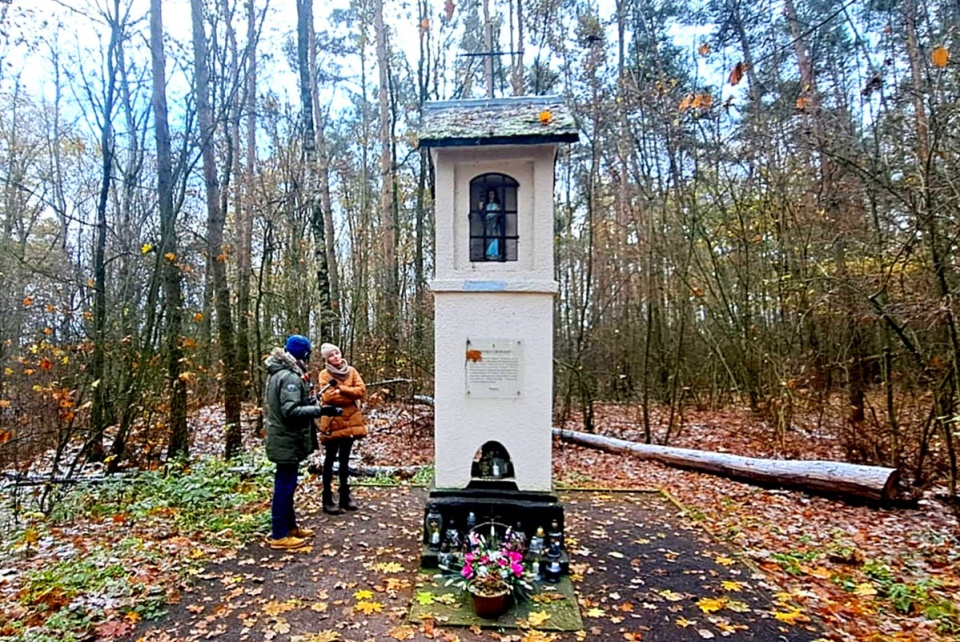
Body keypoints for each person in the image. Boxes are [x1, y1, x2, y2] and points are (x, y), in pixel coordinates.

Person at [263, 334, 340, 550]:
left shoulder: (285, 373)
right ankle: (279, 534)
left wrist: (310, 401)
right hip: (286, 439)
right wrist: (321, 410)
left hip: (286, 438)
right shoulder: (289, 377)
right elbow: (290, 411)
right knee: (284, 486)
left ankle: (290, 527)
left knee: (288, 484)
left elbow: (292, 403)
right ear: (303, 353)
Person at [317, 342, 367, 515]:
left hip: (351, 421)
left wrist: (341, 389)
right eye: (331, 355)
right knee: (330, 460)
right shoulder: (324, 374)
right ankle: (327, 499)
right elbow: (329, 397)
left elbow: (361, 390)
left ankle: (345, 495)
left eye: (337, 353)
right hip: (333, 421)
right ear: (326, 359)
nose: (335, 357)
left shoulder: (351, 371)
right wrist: (349, 394)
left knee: (345, 460)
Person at [482, 190, 502, 260]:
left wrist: (497, 213)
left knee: (494, 237)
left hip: (494, 222)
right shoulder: (486, 205)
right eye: (490, 194)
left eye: (492, 194)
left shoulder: (497, 204)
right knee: (488, 236)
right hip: (488, 223)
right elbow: (483, 214)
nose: (491, 195)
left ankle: (495, 253)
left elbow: (499, 214)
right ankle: (488, 253)